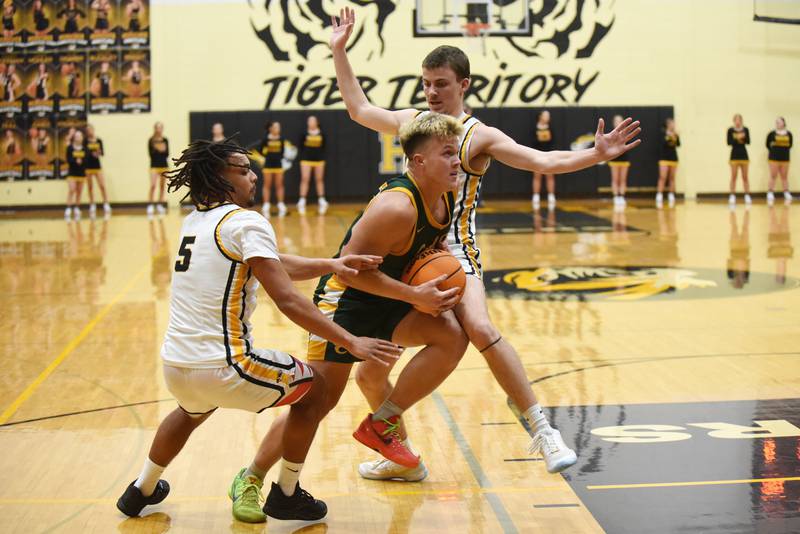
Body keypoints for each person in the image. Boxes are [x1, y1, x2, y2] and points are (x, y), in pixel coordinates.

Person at [329, 7, 640, 479]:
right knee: (370, 370)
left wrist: (594, 155)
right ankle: (401, 456)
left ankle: (542, 429)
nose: (431, 92)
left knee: (476, 326)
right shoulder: (415, 122)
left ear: (464, 85)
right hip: (404, 251)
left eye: (441, 84)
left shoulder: (479, 135)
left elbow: (543, 161)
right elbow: (359, 108)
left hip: (451, 250)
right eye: (426, 82)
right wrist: (338, 50)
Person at [115, 136, 402, 524]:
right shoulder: (246, 221)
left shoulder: (196, 221)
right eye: (243, 169)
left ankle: (142, 489)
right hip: (227, 365)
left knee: (189, 411)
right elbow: (285, 298)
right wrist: (351, 341)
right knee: (316, 391)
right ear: (219, 176)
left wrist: (331, 265)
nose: (254, 175)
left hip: (177, 366)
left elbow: (270, 262)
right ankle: (286, 493)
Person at [253, 112, 469, 495]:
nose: (457, 161)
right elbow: (351, 271)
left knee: (450, 336)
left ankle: (383, 427)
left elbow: (424, 248)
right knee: (317, 402)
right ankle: (251, 476)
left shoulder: (445, 196)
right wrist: (416, 295)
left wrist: (434, 269)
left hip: (389, 297)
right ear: (418, 162)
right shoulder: (396, 207)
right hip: (346, 303)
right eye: (448, 154)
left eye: (457, 153)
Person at [297, 115, 329, 215]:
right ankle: (302, 200)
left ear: (317, 122)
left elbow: (324, 146)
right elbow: (300, 146)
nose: (311, 122)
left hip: (319, 160)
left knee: (319, 179)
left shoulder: (322, 133)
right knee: (305, 179)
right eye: (309, 121)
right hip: (306, 159)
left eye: (313, 121)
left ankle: (322, 200)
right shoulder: (304, 133)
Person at [259, 121, 289, 217]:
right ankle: (266, 204)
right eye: (276, 127)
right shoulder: (265, 139)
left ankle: (280, 204)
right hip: (268, 164)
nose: (278, 129)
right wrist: (267, 155)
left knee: (279, 184)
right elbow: (260, 150)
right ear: (270, 129)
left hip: (278, 164)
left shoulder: (281, 139)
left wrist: (278, 157)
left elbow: (283, 151)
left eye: (279, 127)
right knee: (267, 184)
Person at [531, 110, 556, 210]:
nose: (548, 117)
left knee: (550, 176)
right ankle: (536, 196)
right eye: (546, 116)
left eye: (548, 116)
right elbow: (532, 142)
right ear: (540, 116)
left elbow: (553, 141)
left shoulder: (551, 128)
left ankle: (551, 196)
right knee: (537, 176)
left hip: (548, 155)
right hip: (537, 155)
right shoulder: (534, 128)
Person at [766, 117, 793, 205]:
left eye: (779, 122)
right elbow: (767, 144)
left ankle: (786, 192)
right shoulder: (771, 134)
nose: (777, 123)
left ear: (784, 123)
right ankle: (770, 192)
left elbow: (790, 145)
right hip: (774, 158)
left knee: (784, 176)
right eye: (776, 122)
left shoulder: (789, 134)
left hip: (785, 158)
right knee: (773, 175)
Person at [85, 124, 110, 216]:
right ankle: (92, 204)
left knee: (102, 185)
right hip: (88, 166)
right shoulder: (85, 141)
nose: (89, 131)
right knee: (90, 186)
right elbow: (84, 153)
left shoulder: (99, 140)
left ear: (93, 130)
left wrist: (98, 153)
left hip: (97, 166)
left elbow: (102, 152)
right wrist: (91, 154)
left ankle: (106, 203)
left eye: (90, 129)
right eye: (87, 130)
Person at [727, 114, 751, 207]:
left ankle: (747, 195)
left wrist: (741, 138)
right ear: (733, 121)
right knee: (733, 176)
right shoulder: (730, 130)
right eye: (736, 120)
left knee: (745, 176)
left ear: (741, 121)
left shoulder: (746, 130)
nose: (737, 121)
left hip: (744, 154)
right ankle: (732, 195)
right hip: (734, 155)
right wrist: (739, 138)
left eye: (739, 120)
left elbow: (748, 141)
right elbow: (729, 142)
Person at [656, 117, 680, 208]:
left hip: (673, 158)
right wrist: (668, 136)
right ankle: (659, 194)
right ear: (667, 125)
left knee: (672, 177)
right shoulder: (663, 133)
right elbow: (663, 143)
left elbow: (678, 144)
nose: (673, 125)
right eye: (671, 123)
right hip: (664, 157)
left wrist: (675, 136)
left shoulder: (675, 134)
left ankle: (671, 194)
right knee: (663, 176)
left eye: (673, 123)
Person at [608, 114, 630, 208]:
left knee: (623, 179)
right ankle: (616, 196)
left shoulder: (626, 133)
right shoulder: (611, 134)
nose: (618, 122)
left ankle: (622, 196)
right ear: (614, 123)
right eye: (617, 121)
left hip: (624, 159)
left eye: (620, 121)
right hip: (614, 159)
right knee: (615, 178)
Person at [147, 122, 169, 216]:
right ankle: (150, 204)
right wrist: (160, 149)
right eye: (157, 128)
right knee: (153, 185)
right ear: (155, 129)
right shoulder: (151, 140)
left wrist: (160, 149)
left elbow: (167, 153)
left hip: (164, 165)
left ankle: (160, 204)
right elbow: (151, 154)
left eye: (161, 128)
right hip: (154, 165)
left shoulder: (165, 140)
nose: (159, 130)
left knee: (162, 186)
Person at [65, 129, 87, 220]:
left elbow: (86, 160)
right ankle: (68, 208)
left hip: (81, 173)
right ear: (74, 138)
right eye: (77, 136)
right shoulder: (70, 148)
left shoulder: (85, 149)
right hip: (72, 172)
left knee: (79, 191)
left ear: (82, 138)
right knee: (72, 189)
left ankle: (77, 207)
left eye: (80, 136)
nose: (79, 138)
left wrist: (82, 161)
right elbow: (68, 159)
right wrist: (75, 161)